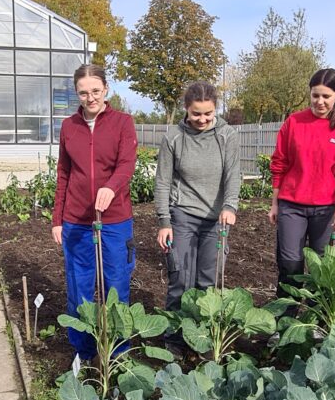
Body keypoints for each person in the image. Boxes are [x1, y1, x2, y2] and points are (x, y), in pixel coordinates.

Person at [52, 64, 138, 362]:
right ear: (77, 93)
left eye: (96, 91)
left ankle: (118, 353)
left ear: (106, 89)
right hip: (76, 222)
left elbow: (127, 165)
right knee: (80, 290)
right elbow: (63, 173)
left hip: (115, 221)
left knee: (116, 288)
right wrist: (57, 219)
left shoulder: (123, 123)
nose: (90, 98)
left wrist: (111, 187)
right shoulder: (68, 126)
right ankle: (85, 353)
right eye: (83, 93)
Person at [267, 68, 335, 294]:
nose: (319, 102)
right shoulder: (294, 123)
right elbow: (279, 163)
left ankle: (317, 323)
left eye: (326, 96)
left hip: (327, 208)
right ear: (310, 93)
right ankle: (285, 321)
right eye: (315, 95)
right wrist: (275, 203)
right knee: (290, 263)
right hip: (292, 204)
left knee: (322, 267)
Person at [154, 81, 241, 312]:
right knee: (180, 278)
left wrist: (230, 206)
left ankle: (201, 336)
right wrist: (164, 222)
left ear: (216, 109)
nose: (202, 119)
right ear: (186, 108)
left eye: (208, 114)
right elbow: (162, 181)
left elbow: (233, 176)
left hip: (216, 220)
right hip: (183, 215)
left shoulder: (226, 136)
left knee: (208, 281)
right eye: (196, 114)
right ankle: (174, 338)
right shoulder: (174, 138)